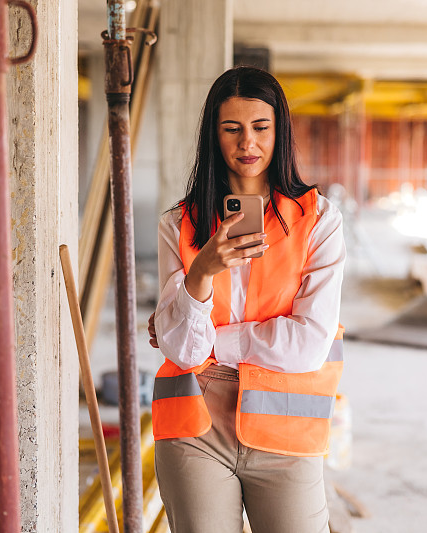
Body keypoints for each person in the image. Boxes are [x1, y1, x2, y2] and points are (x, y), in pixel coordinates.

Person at [146, 65, 346, 533]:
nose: (247, 143)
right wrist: (202, 271)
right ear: (213, 136)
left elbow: (309, 344)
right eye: (231, 129)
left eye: (260, 127)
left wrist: (213, 339)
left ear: (280, 131)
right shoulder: (178, 224)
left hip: (286, 424)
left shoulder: (319, 222)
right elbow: (184, 353)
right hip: (194, 423)